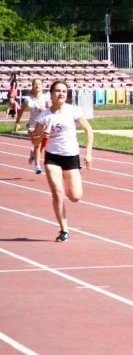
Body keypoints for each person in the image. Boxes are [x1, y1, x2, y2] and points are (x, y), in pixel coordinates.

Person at [30, 80, 93, 242]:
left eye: (64, 91)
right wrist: (42, 136)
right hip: (53, 157)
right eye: (57, 91)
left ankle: (68, 181)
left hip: (71, 157)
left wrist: (88, 153)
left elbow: (88, 129)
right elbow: (35, 142)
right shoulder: (44, 116)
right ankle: (64, 229)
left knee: (75, 196)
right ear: (51, 94)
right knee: (58, 193)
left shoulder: (73, 110)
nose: (61, 94)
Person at [13, 78, 49, 174]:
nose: (37, 85)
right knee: (37, 144)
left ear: (42, 86)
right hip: (32, 125)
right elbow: (20, 110)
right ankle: (37, 166)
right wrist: (17, 122)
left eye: (39, 83)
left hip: (44, 125)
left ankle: (33, 154)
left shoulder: (46, 98)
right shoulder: (28, 99)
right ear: (32, 86)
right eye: (35, 84)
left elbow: (51, 109)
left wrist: (45, 110)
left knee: (42, 147)